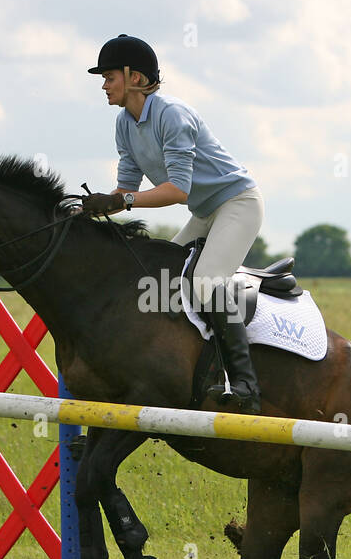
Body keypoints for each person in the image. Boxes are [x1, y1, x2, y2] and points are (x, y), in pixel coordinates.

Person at [80, 34, 264, 413]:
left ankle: (244, 384)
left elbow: (177, 191)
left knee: (206, 281)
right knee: (159, 278)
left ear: (133, 77)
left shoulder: (172, 115)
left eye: (109, 76)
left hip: (238, 205)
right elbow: (126, 188)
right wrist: (92, 209)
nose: (103, 85)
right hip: (206, 213)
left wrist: (121, 201)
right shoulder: (124, 124)